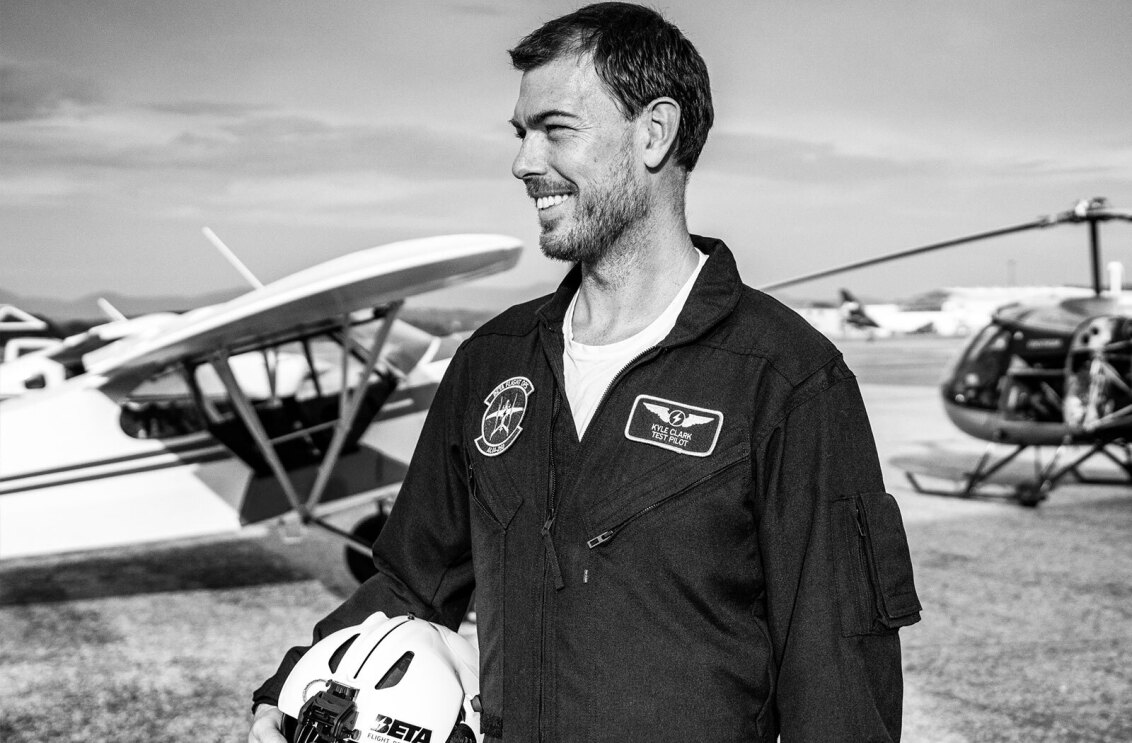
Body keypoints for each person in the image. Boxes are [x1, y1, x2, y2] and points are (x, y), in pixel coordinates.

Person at [250, 3, 921, 741]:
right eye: (521, 133)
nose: (524, 162)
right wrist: (288, 687)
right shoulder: (493, 362)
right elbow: (411, 580)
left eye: (556, 129)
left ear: (654, 133)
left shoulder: (785, 379)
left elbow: (838, 676)